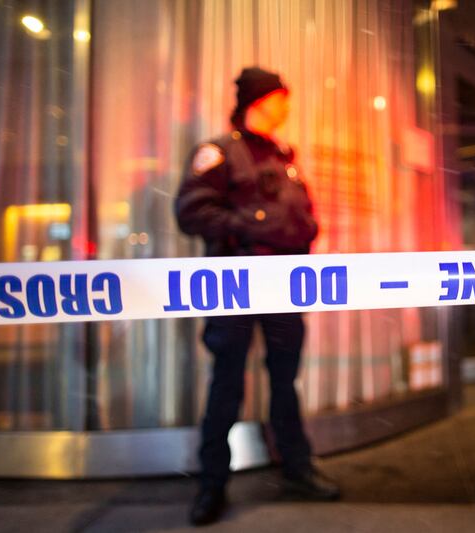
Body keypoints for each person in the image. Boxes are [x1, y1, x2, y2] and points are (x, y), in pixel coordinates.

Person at [175, 67, 340, 526]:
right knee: (226, 383)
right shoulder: (219, 152)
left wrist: (299, 230)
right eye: (282, 97)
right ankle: (211, 485)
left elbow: (298, 213)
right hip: (235, 284)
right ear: (262, 101)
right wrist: (252, 228)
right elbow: (191, 211)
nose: (288, 106)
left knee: (285, 381)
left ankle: (297, 469)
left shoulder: (284, 154)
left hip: (285, 283)